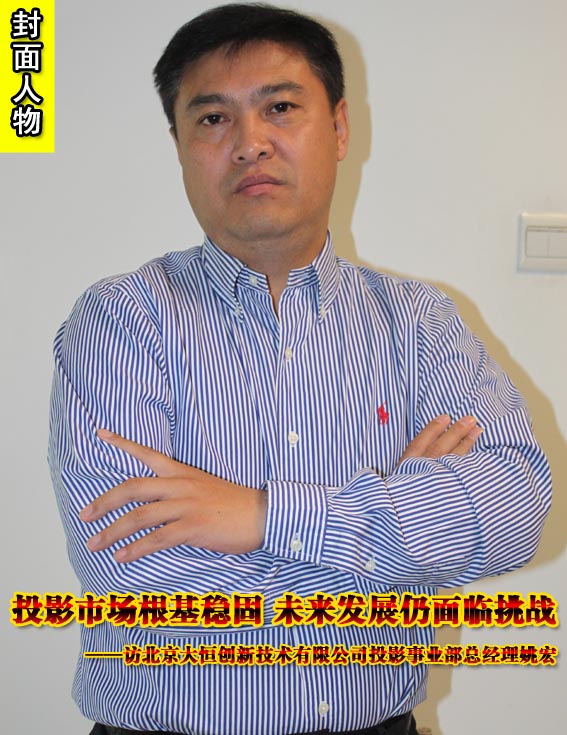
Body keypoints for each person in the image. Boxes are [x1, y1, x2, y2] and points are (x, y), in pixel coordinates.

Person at [48, 4, 551, 735]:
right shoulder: (120, 320)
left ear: (339, 128)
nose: (250, 143)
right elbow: (137, 577)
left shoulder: (420, 322)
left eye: (280, 108)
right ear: (179, 146)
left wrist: (260, 516)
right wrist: (401, 542)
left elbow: (513, 510)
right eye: (213, 119)